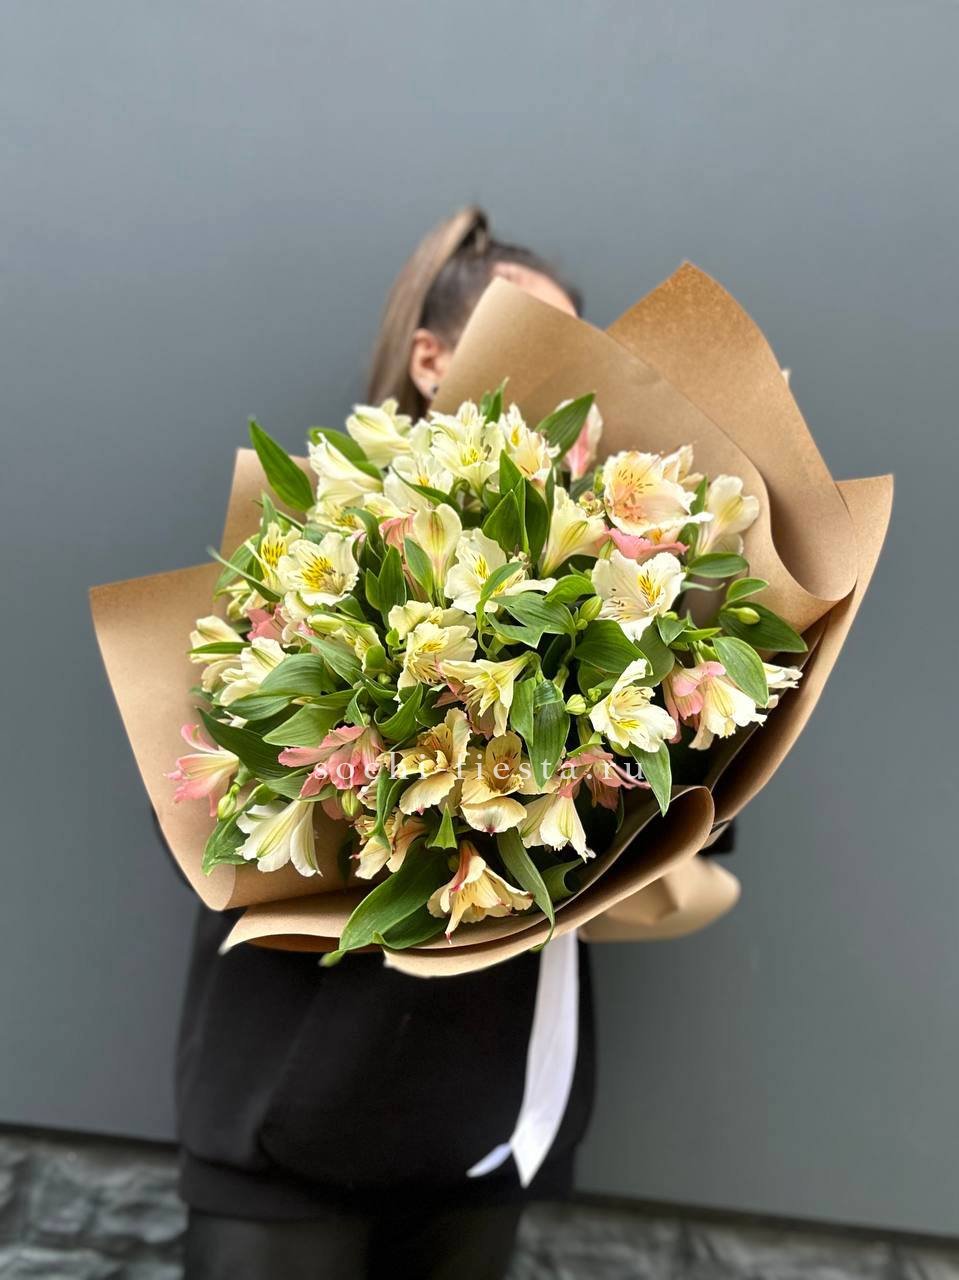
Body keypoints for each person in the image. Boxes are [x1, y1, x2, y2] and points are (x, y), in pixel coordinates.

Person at [176, 207, 596, 1280]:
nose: (565, 380)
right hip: (291, 1100)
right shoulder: (312, 537)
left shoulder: (601, 574)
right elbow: (198, 807)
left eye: (579, 355)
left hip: (477, 1114)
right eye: (533, 343)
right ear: (431, 359)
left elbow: (685, 831)